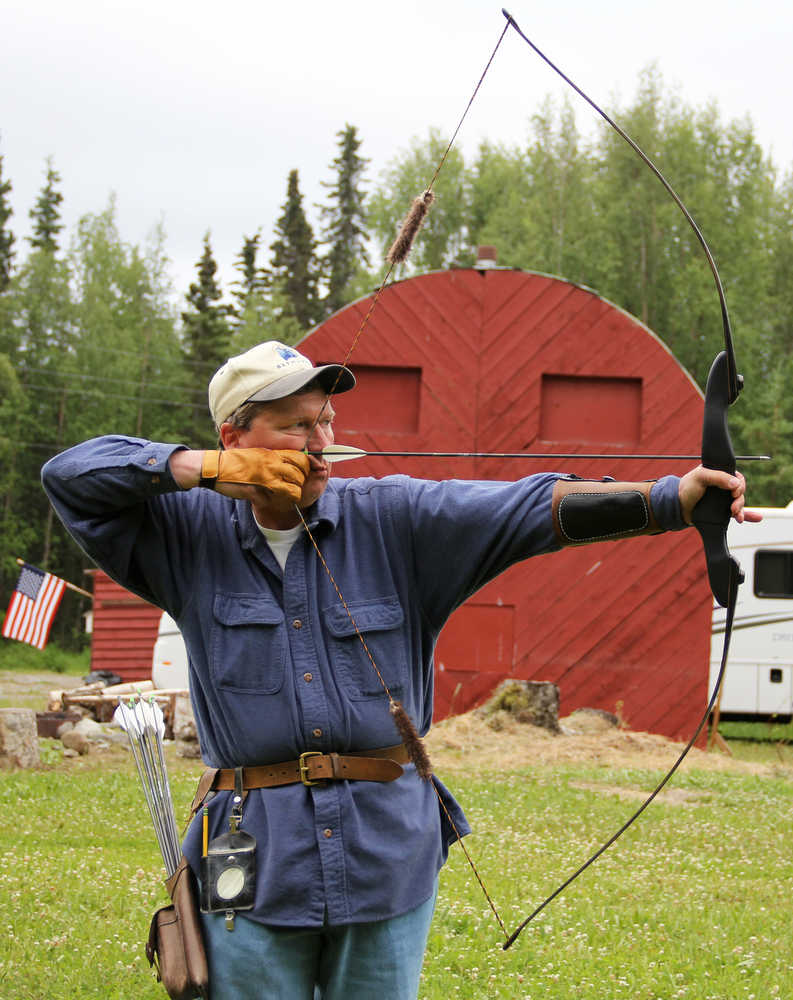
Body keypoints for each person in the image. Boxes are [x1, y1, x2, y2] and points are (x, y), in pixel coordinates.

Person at [41, 339, 756, 1000]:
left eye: (326, 423)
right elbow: (69, 476)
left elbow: (524, 507)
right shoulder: (182, 535)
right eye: (295, 428)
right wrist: (197, 470)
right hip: (253, 860)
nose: (322, 446)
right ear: (235, 436)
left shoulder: (396, 519)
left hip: (382, 853)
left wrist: (670, 500)